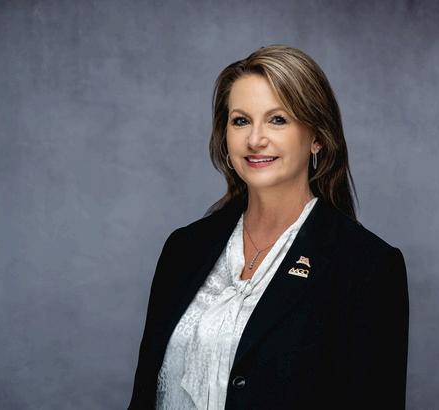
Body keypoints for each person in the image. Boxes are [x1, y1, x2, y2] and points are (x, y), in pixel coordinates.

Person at [128, 44, 409, 410]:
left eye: (277, 120)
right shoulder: (184, 249)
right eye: (240, 121)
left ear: (317, 137)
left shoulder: (367, 266)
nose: (255, 139)